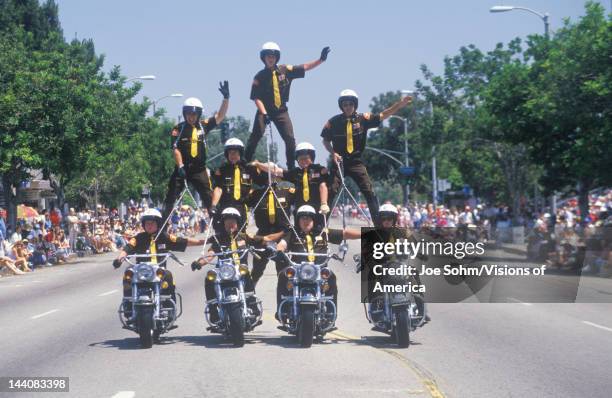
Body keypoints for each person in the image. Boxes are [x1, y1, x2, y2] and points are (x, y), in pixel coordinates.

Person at [322, 89, 412, 222]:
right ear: (341, 106)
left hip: (356, 162)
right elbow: (325, 140)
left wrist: (399, 104)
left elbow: (383, 115)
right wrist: (333, 153)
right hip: (338, 162)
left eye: (350, 104)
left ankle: (378, 228)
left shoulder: (364, 118)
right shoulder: (333, 122)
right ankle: (321, 228)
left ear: (355, 105)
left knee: (370, 192)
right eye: (345, 104)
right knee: (331, 191)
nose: (348, 107)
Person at [245, 42, 330, 169]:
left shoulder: (285, 70)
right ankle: (244, 161)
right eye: (268, 56)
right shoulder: (259, 76)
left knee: (290, 139)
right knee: (256, 135)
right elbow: (256, 98)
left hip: (281, 111)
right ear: (263, 58)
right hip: (264, 110)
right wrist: (264, 113)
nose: (270, 58)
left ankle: (291, 167)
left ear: (277, 57)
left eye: (273, 56)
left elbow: (304, 67)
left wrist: (321, 60)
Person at [112, 209, 205, 320]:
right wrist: (119, 259)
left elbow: (184, 241)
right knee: (128, 274)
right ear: (143, 224)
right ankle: (128, 305)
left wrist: (203, 241)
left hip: (159, 271)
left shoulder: (165, 237)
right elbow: (127, 249)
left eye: (152, 223)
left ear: (158, 224)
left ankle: (170, 309)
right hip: (141, 271)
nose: (149, 225)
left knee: (169, 275)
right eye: (147, 223)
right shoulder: (138, 238)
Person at [274, 205, 360, 319]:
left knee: (331, 277)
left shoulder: (322, 233)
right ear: (298, 220)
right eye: (303, 218)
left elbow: (345, 234)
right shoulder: (292, 233)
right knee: (283, 276)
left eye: (309, 218)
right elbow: (282, 244)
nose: (306, 221)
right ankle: (282, 311)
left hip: (319, 270)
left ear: (313, 220)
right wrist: (279, 251)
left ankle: (331, 314)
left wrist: (365, 234)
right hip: (298, 270)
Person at [191, 208, 271, 327]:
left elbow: (266, 240)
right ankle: (213, 311)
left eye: (233, 221)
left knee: (247, 274)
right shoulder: (218, 239)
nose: (230, 223)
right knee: (209, 278)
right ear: (223, 223)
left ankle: (253, 308)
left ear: (238, 222)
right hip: (223, 272)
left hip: (240, 271)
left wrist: (283, 235)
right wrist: (200, 262)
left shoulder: (245, 237)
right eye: (227, 221)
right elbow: (211, 253)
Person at [163, 85, 230, 221]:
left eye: (194, 114)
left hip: (199, 170)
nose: (191, 117)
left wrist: (226, 98)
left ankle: (218, 228)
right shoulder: (178, 129)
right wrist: (180, 165)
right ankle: (162, 229)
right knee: (171, 196)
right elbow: (175, 148)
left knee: (209, 198)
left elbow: (220, 116)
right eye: (188, 114)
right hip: (182, 168)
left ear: (198, 114)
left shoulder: (203, 125)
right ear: (184, 113)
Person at [252, 142, 330, 226]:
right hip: (300, 209)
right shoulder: (295, 173)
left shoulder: (319, 170)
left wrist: (324, 203)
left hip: (317, 207)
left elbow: (323, 186)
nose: (303, 161)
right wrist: (258, 164)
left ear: (312, 157)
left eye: (306, 158)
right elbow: (276, 171)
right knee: (299, 232)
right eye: (300, 159)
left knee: (319, 231)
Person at [247, 164, 295, 286]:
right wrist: (257, 164)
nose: (271, 178)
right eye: (267, 175)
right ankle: (249, 295)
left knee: (284, 272)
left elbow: (296, 178)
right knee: (256, 271)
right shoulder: (256, 194)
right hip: (263, 234)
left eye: (273, 175)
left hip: (282, 235)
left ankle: (285, 297)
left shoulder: (287, 192)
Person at [210, 138, 260, 233]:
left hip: (241, 206)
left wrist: (258, 164)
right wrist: (213, 205)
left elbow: (262, 182)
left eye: (235, 153)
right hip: (225, 205)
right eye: (230, 153)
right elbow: (218, 189)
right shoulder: (222, 170)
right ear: (227, 154)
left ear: (240, 153)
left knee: (240, 234)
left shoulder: (249, 168)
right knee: (223, 233)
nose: (232, 155)